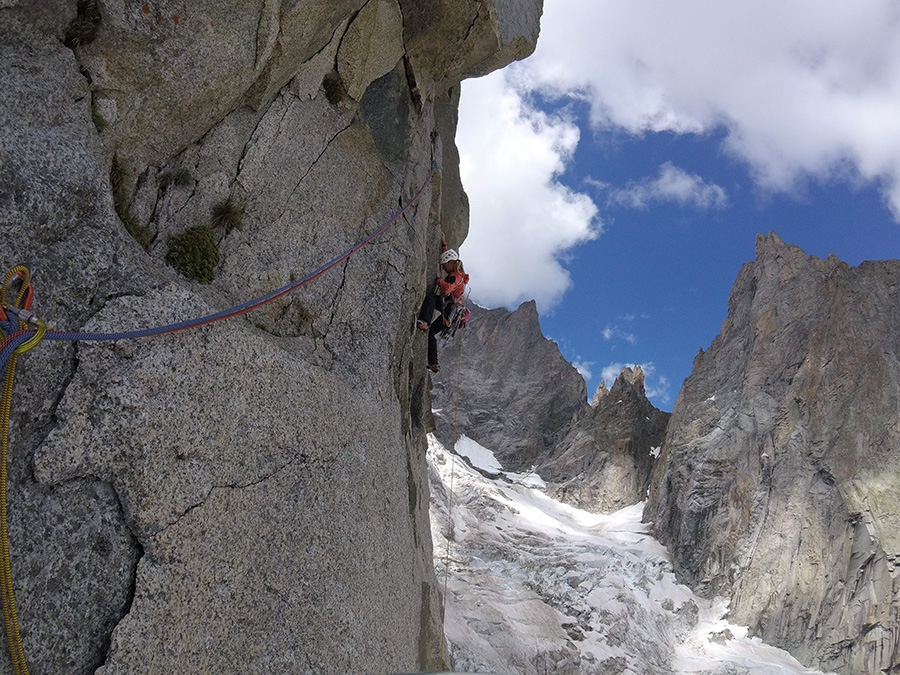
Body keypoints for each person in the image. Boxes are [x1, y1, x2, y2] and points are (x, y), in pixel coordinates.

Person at [417, 245, 469, 372]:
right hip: (452, 316)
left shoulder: (456, 275)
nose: (444, 268)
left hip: (450, 310)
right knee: (431, 334)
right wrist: (444, 245)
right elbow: (449, 256)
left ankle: (424, 321)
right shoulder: (458, 274)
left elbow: (447, 288)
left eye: (444, 265)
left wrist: (439, 280)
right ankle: (433, 363)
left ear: (451, 263)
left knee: (431, 298)